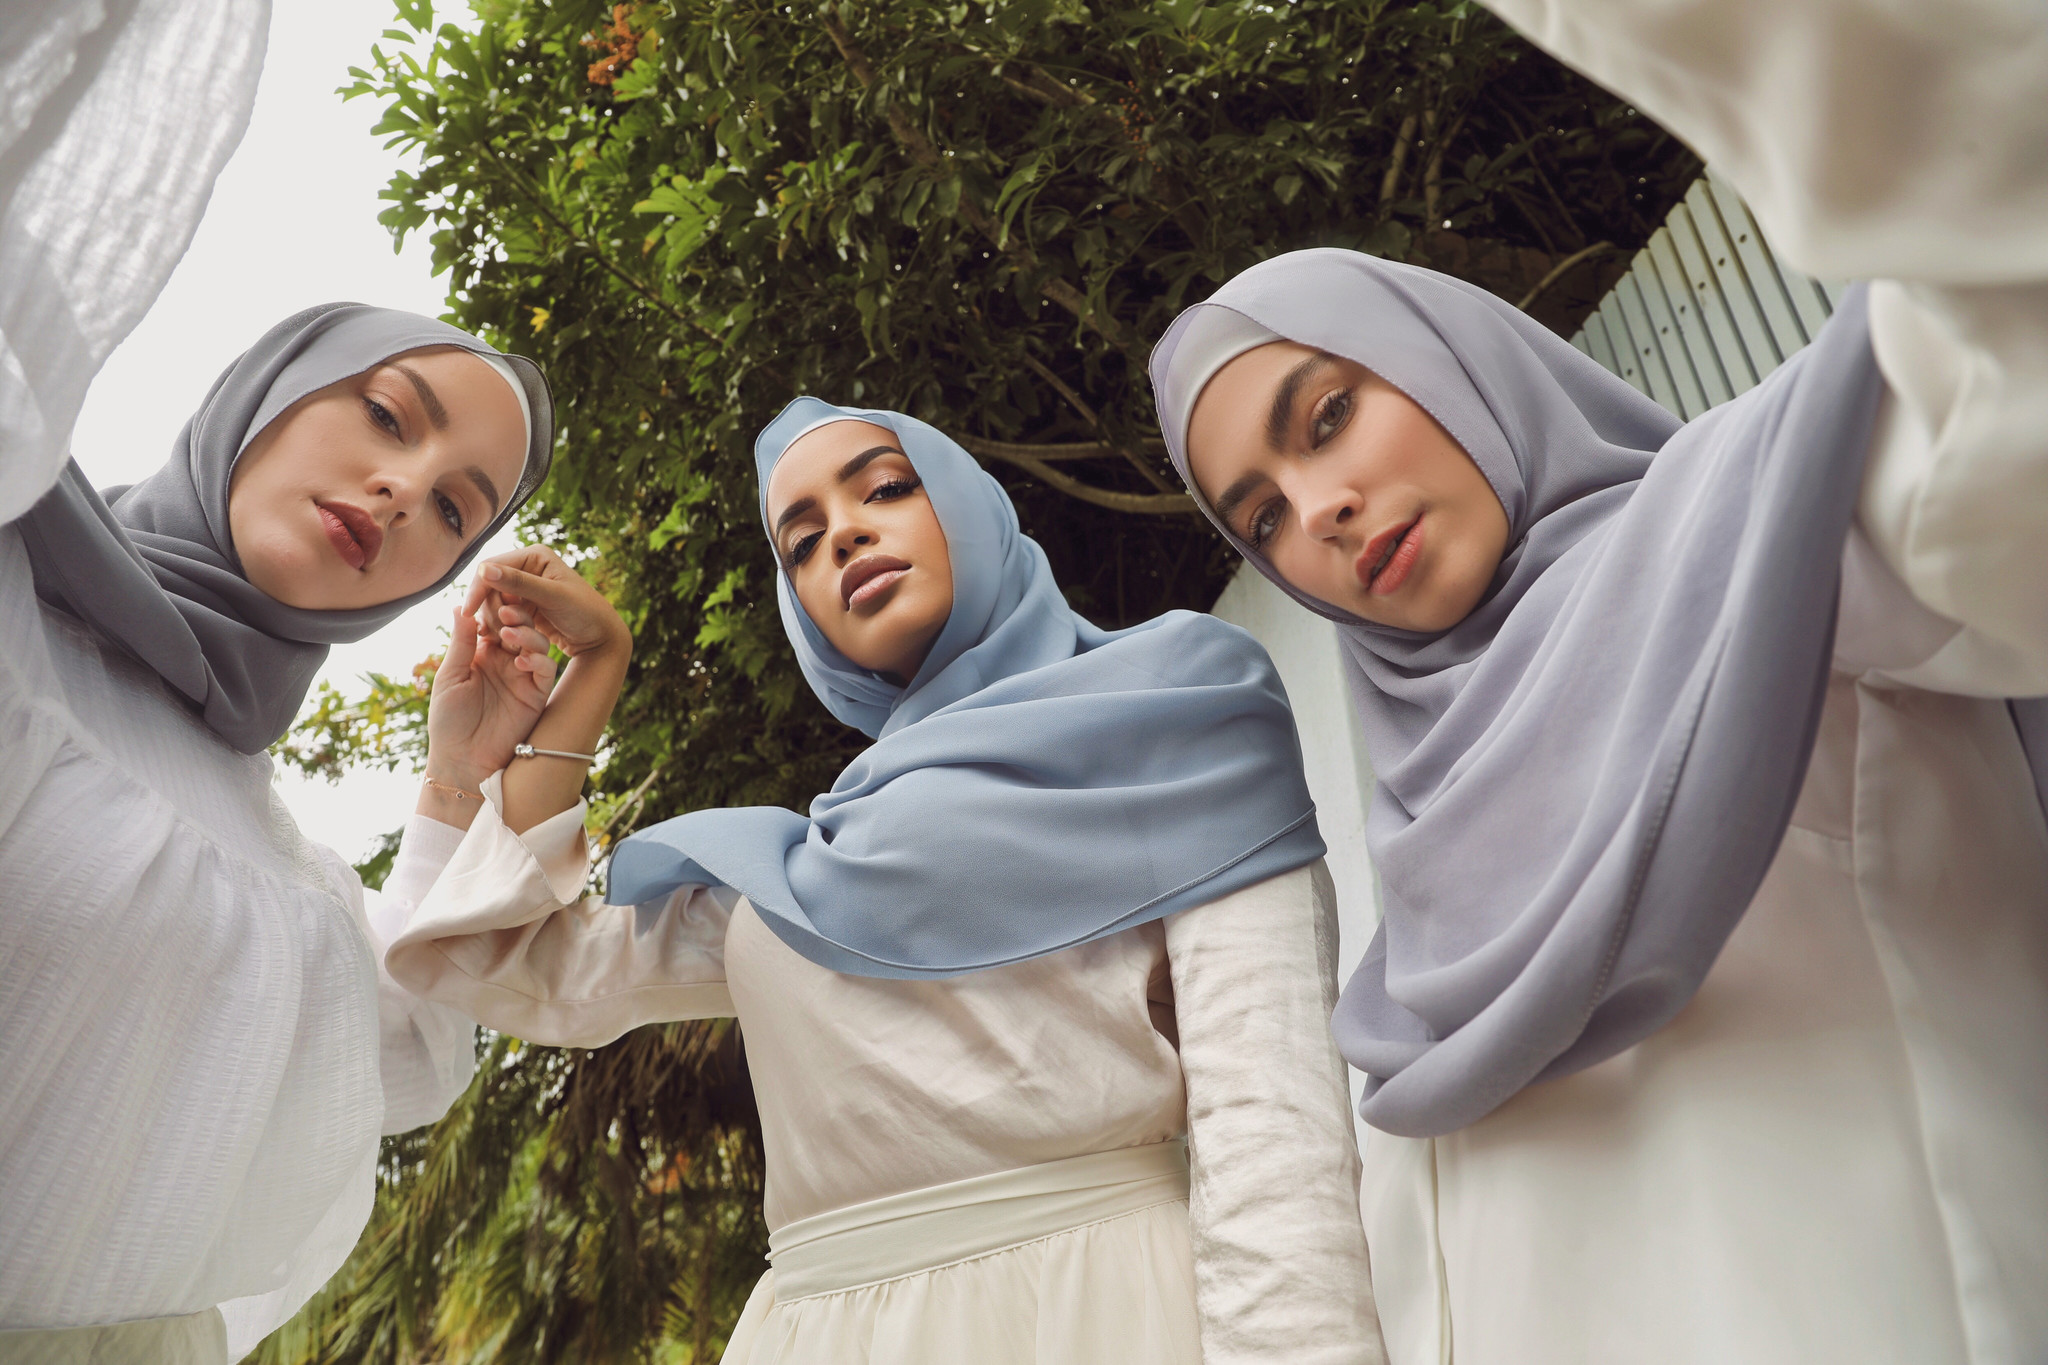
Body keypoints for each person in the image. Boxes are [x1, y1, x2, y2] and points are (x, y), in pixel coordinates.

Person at [1146, 2, 2048, 1359]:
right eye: (1260, 517)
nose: (1318, 510)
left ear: (1456, 358)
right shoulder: (1420, 836)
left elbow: (2000, 409)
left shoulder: (1783, 529)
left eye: (1329, 415)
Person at [385, 399, 1386, 1364]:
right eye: (804, 542)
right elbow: (503, 962)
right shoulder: (795, 873)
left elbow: (1269, 1123)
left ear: (964, 505)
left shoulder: (1176, 709)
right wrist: (562, 693)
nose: (846, 540)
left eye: (885, 490)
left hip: (1094, 1312)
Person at [0, 302, 627, 1363]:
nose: (400, 493)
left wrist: (458, 782)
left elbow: (406, 1056)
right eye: (388, 416)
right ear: (264, 390)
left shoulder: (276, 855)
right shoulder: (19, 603)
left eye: (452, 511)